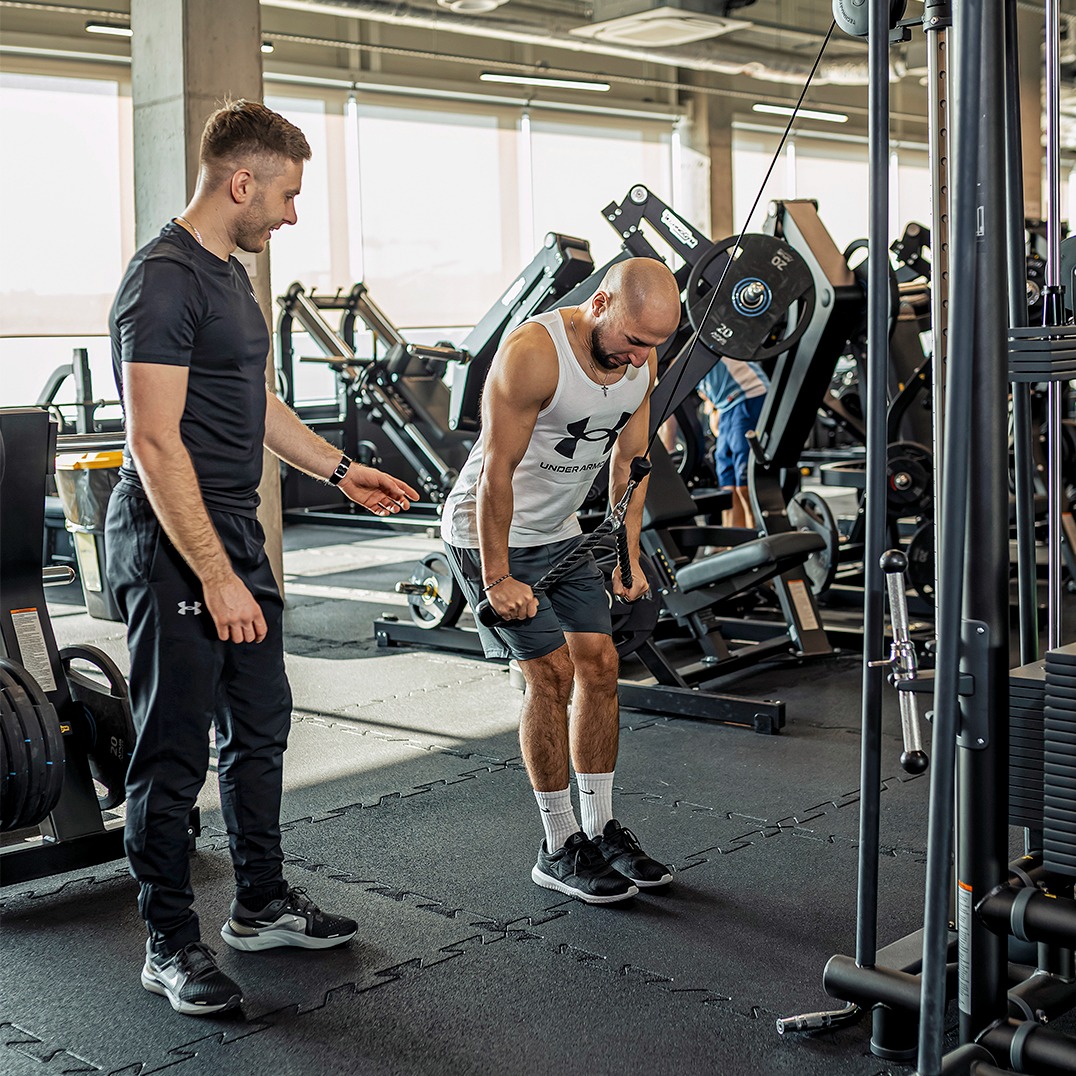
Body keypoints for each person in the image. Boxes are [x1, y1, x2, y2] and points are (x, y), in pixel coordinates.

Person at [105, 99, 419, 1017]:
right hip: (176, 537)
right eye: (285, 194)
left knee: (261, 725)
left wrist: (340, 467)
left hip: (235, 526)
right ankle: (168, 943)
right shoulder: (161, 280)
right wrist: (213, 575)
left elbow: (257, 401)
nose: (290, 214)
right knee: (171, 751)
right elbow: (155, 443)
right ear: (240, 181)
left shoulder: (228, 274)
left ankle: (260, 903)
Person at [441, 258, 682, 904]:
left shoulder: (642, 362)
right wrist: (495, 579)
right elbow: (497, 473)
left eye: (653, 347)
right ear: (600, 303)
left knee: (601, 667)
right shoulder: (533, 354)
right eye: (633, 340)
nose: (639, 360)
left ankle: (600, 830)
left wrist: (628, 559)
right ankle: (557, 844)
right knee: (551, 676)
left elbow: (631, 462)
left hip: (559, 531)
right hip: (487, 532)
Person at [698, 357, 770, 528]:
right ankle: (734, 538)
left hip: (748, 392)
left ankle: (756, 533)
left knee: (744, 468)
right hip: (725, 406)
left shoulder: (691, 339)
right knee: (724, 468)